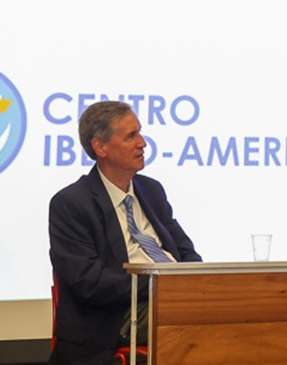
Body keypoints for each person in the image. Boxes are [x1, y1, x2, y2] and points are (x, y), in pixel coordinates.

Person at [48, 101, 200, 365]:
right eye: (131, 136)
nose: (143, 143)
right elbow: (89, 282)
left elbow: (186, 253)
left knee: (225, 310)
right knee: (204, 315)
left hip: (167, 301)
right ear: (100, 147)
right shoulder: (71, 203)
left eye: (140, 133)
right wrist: (162, 284)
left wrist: (191, 282)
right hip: (113, 318)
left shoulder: (151, 191)